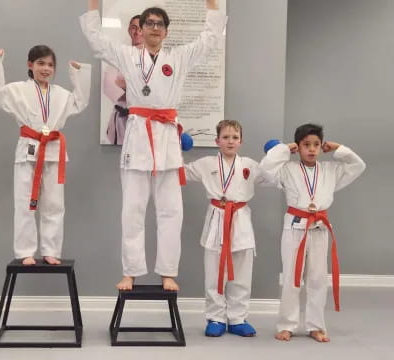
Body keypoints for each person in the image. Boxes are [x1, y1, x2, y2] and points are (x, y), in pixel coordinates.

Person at [80, 0, 227, 291]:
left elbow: (209, 41)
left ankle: (167, 272)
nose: (155, 28)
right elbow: (97, 43)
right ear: (141, 28)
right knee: (132, 209)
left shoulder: (180, 57)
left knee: (171, 211)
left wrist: (213, 6)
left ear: (166, 31)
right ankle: (130, 272)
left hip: (167, 139)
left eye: (160, 24)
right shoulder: (126, 55)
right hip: (137, 136)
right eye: (150, 24)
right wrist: (92, 6)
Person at [0, 45, 91, 265]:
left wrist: (80, 73)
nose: (46, 69)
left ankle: (51, 250)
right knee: (24, 203)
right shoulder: (17, 90)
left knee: (54, 204)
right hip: (29, 149)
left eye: (50, 65)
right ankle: (25, 251)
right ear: (30, 65)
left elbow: (80, 102)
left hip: (53, 151)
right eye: (41, 63)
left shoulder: (61, 94)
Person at [259, 123, 366, 342]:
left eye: (316, 145)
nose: (312, 149)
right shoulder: (286, 169)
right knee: (291, 277)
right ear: (298, 147)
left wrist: (339, 149)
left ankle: (315, 325)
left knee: (317, 279)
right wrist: (283, 149)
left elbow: (358, 166)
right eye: (306, 144)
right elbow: (265, 168)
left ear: (321, 147)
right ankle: (287, 324)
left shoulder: (331, 170)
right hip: (295, 227)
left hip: (319, 227)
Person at [185, 120, 266, 337]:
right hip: (216, 218)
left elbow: (273, 177)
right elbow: (180, 173)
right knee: (213, 273)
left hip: (240, 219)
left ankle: (238, 318)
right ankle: (216, 317)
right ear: (217, 141)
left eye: (235, 137)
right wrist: (174, 147)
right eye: (226, 137)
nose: (230, 141)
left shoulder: (250, 165)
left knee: (241, 272)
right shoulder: (206, 163)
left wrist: (278, 153)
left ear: (241, 141)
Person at [104, 14, 143, 144]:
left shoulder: (153, 58)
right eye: (133, 27)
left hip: (142, 119)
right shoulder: (119, 55)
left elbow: (151, 92)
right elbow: (109, 86)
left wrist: (127, 86)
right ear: (129, 30)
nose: (137, 32)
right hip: (121, 117)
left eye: (140, 28)